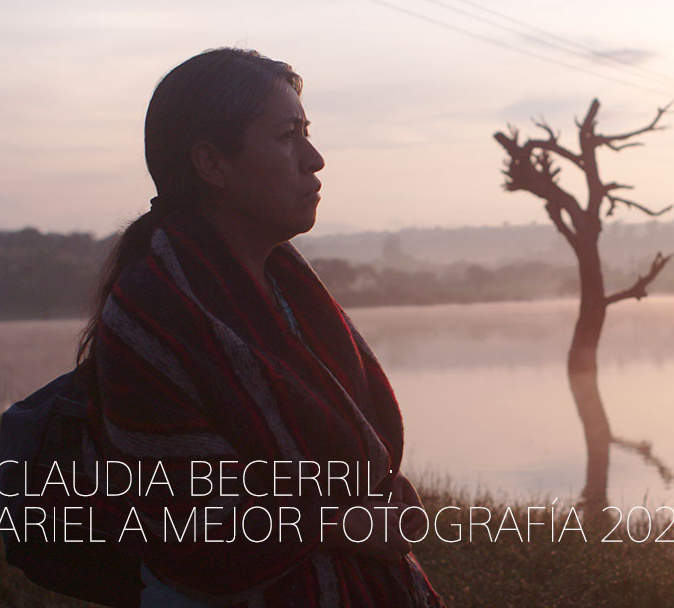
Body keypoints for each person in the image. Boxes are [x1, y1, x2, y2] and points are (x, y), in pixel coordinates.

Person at [74, 47, 446, 608]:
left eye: (308, 133)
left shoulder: (285, 291)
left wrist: (379, 502)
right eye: (286, 136)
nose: (314, 158)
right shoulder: (153, 312)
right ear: (212, 164)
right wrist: (345, 522)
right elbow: (189, 520)